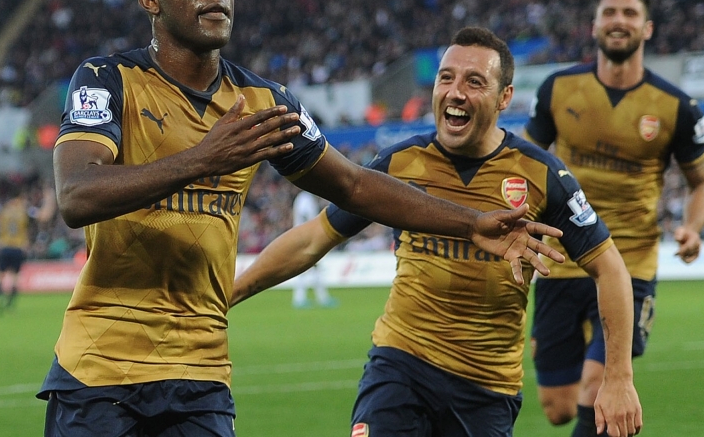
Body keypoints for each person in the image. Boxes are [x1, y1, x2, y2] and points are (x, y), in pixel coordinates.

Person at [37, 0, 566, 437]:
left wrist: (471, 222)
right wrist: (204, 158)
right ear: (150, 1)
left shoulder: (264, 102)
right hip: (99, 370)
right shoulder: (108, 79)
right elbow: (78, 194)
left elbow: (356, 187)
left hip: (200, 376)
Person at [233, 27, 642, 437]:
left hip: (486, 389)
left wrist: (619, 377)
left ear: (505, 98)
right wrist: (227, 294)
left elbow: (611, 270)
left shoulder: (542, 175)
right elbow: (313, 239)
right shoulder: (399, 162)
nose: (455, 91)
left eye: (474, 81)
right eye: (446, 77)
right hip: (400, 365)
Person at [525, 0, 704, 437]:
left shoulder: (677, 107)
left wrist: (693, 226)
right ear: (594, 26)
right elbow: (525, 165)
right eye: (610, 12)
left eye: (630, 13)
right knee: (558, 408)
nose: (619, 21)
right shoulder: (557, 90)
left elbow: (701, 183)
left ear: (647, 29)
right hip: (562, 259)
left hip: (630, 263)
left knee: (601, 385)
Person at [0, 176, 56, 314]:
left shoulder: (2, 208)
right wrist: (49, 196)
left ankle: (0, 298)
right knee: (14, 276)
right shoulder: (26, 209)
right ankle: (10, 302)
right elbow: (45, 215)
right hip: (19, 248)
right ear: (22, 195)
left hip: (3, 246)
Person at [289, 190, 336, 308]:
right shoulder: (305, 198)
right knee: (307, 268)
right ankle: (303, 299)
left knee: (313, 269)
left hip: (305, 237)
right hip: (305, 238)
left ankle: (318, 297)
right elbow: (305, 217)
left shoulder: (305, 198)